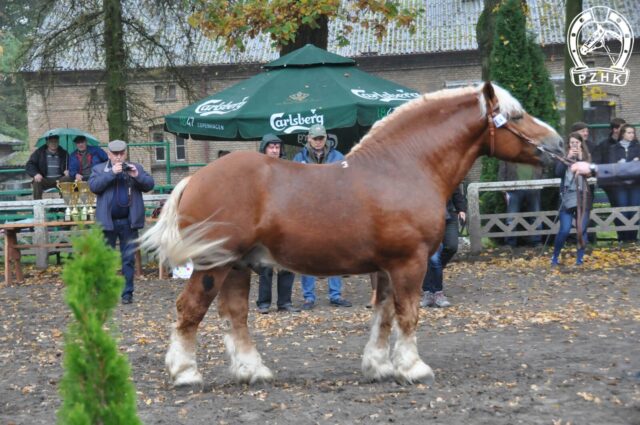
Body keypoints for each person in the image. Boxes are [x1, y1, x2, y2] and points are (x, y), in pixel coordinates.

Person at [293, 124, 352, 310]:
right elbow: (293, 184)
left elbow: (347, 181)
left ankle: (335, 294)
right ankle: (308, 297)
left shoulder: (339, 157)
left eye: (321, 138)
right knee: (306, 253)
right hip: (307, 212)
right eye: (315, 138)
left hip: (332, 211)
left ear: (326, 139)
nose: (319, 142)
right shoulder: (298, 158)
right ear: (308, 139)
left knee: (334, 252)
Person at [89, 140, 155, 304]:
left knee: (128, 259)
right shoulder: (99, 169)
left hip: (129, 222)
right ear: (109, 154)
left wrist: (136, 176)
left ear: (125, 153)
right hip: (107, 222)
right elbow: (94, 186)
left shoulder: (135, 168)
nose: (118, 157)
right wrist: (112, 173)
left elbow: (149, 185)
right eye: (115, 154)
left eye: (121, 154)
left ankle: (127, 294)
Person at [255, 134, 299, 313]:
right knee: (266, 265)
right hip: (266, 223)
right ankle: (264, 303)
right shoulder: (257, 169)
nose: (274, 150)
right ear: (264, 148)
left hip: (286, 222)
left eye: (277, 147)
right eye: (271, 147)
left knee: (287, 264)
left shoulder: (288, 168)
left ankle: (284, 302)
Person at [551, 133, 591, 266]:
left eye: (577, 142)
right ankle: (555, 256)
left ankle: (579, 259)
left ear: (581, 143)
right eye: (572, 142)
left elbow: (589, 173)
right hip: (566, 197)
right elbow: (558, 173)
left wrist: (580, 159)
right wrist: (567, 158)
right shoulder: (563, 157)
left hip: (582, 197)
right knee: (565, 229)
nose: (574, 145)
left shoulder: (586, 157)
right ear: (568, 144)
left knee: (581, 229)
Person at [605, 124, 640, 241]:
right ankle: (622, 238)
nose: (631, 135)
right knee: (621, 210)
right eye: (629, 132)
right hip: (620, 185)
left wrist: (626, 164)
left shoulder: (638, 147)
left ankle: (633, 238)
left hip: (635, 184)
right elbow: (612, 164)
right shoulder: (614, 148)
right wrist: (630, 163)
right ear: (623, 134)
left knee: (634, 210)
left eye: (632, 133)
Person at [499, 161, 543, 247]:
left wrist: (541, 183)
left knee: (536, 215)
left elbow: (545, 168)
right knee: (511, 217)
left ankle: (536, 241)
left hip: (534, 187)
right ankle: (509, 243)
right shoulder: (509, 151)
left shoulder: (536, 151)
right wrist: (503, 190)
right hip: (513, 189)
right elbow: (502, 171)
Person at [25, 132, 71, 199]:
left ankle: (65, 205)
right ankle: (38, 204)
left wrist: (69, 170)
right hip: (45, 179)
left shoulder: (64, 153)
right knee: (36, 180)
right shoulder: (39, 152)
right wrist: (35, 174)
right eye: (51, 142)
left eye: (56, 141)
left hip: (59, 180)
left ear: (58, 142)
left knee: (67, 178)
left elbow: (71, 165)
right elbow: (30, 164)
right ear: (47, 142)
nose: (53, 143)